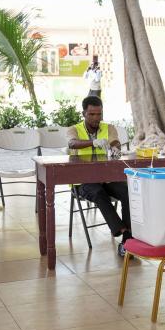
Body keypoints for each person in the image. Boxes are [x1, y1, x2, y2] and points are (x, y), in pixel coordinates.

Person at [67, 96, 132, 257]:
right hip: (83, 180)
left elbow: (115, 141)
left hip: (107, 178)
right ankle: (121, 228)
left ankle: (127, 241)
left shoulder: (108, 128)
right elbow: (72, 143)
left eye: (99, 114)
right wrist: (92, 143)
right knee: (97, 192)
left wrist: (115, 148)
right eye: (92, 114)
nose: (96, 118)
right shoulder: (74, 129)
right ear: (84, 113)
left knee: (127, 191)